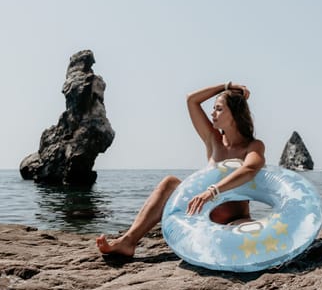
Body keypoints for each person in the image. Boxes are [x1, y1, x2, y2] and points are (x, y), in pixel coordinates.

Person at [96, 82, 266, 256]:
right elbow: (192, 100)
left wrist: (212, 191)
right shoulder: (213, 140)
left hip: (233, 219)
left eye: (219, 109)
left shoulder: (252, 146)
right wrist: (226, 86)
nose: (212, 113)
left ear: (235, 114)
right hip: (200, 217)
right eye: (214, 108)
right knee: (169, 182)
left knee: (249, 233)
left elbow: (250, 169)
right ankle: (128, 241)